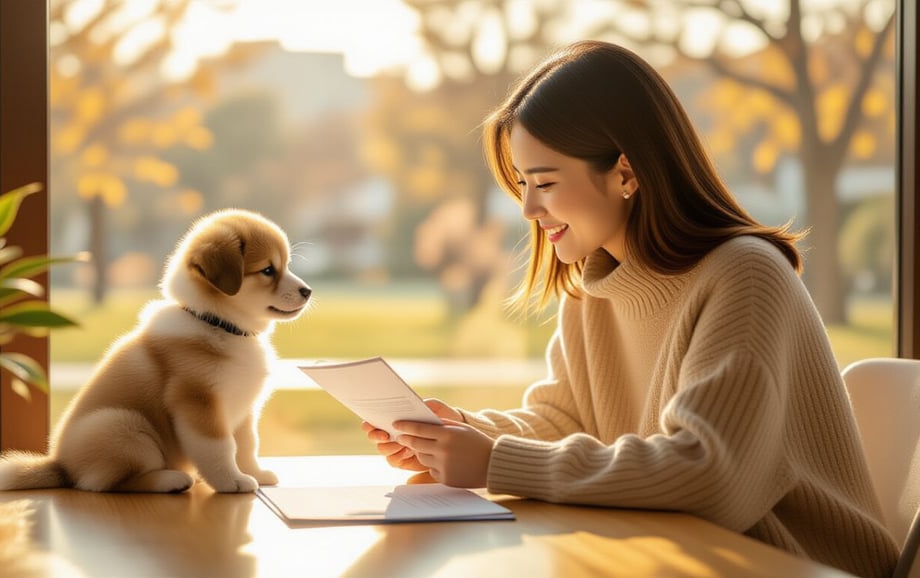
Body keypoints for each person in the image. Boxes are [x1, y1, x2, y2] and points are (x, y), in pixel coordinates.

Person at [363, 40, 898, 578]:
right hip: (680, 559)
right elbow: (565, 423)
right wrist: (460, 432)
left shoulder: (745, 276)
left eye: (544, 182)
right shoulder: (592, 289)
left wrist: (495, 461)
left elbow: (709, 475)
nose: (527, 208)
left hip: (793, 565)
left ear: (625, 172)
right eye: (523, 183)